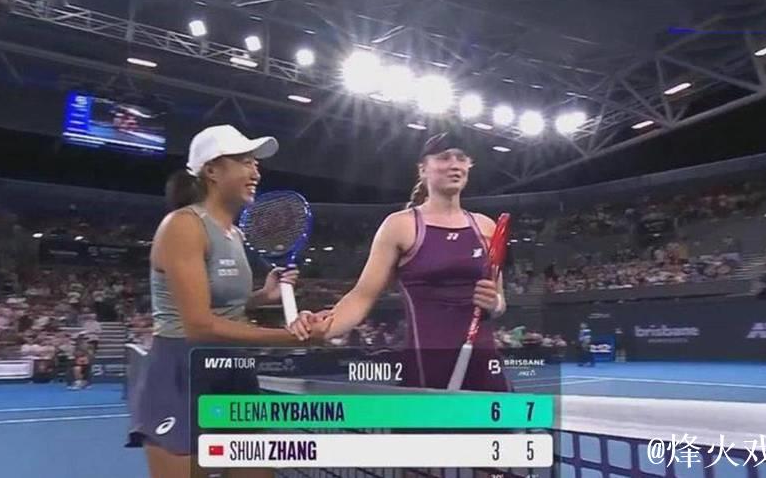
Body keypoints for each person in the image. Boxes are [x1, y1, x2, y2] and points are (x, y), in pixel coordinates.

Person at [126, 124, 332, 478]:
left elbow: (221, 306)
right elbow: (199, 325)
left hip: (233, 371)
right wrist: (290, 337)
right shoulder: (182, 226)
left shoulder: (235, 234)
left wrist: (262, 296)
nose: (256, 172)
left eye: (255, 163)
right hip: (181, 373)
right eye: (245, 162)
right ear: (212, 171)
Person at [289, 132, 509, 391]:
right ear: (423, 169)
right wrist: (320, 327)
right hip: (427, 368)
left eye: (461, 158)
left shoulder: (486, 227)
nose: (454, 164)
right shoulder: (400, 226)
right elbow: (361, 297)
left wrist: (494, 303)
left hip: (484, 364)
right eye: (444, 157)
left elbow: (499, 302)